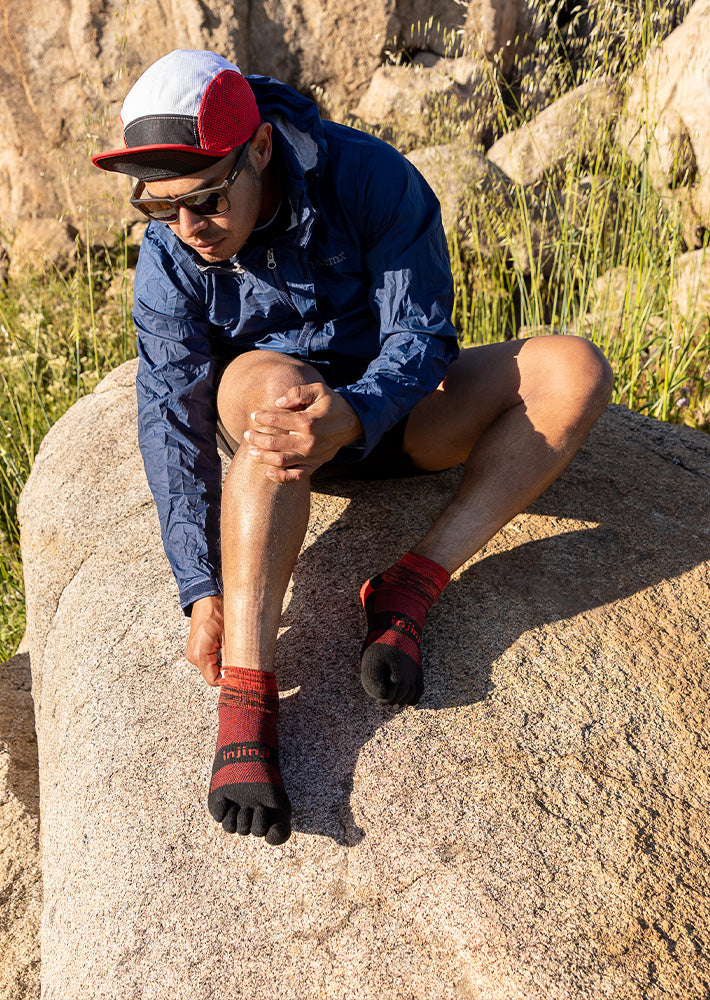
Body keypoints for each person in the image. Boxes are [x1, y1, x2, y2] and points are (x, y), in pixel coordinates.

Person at [92, 48, 613, 846]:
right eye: (160, 208)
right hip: (269, 421)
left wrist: (357, 411)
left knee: (574, 370)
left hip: (392, 415)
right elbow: (171, 414)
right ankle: (247, 694)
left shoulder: (370, 176)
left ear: (259, 148)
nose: (189, 229)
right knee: (279, 395)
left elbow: (422, 334)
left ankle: (412, 581)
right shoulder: (172, 250)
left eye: (205, 199)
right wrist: (199, 587)